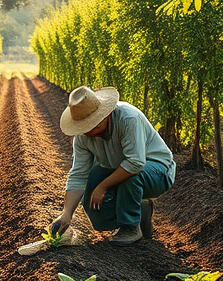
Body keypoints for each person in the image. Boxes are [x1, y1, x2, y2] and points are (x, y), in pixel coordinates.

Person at [50, 85, 176, 245]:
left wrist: (103, 186)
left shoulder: (128, 119)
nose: (87, 132)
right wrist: (66, 214)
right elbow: (79, 174)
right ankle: (140, 210)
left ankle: (130, 227)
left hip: (157, 170)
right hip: (118, 168)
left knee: (130, 175)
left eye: (91, 126)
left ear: (106, 116)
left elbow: (135, 163)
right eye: (84, 127)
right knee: (96, 212)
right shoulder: (83, 137)